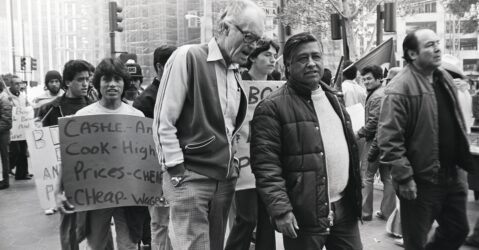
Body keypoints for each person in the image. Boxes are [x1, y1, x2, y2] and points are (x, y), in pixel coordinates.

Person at [152, 1, 265, 249]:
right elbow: (164, 120)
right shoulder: (187, 56)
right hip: (190, 179)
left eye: (258, 40)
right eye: (248, 36)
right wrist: (176, 171)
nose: (253, 46)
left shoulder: (233, 71)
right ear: (224, 28)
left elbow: (227, 127)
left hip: (223, 181)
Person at [250, 32, 362, 249]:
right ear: (288, 66)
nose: (311, 63)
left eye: (316, 57)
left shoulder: (335, 99)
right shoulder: (271, 107)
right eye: (303, 58)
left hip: (345, 211)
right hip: (304, 217)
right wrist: (281, 210)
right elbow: (266, 166)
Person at [378, 29, 474, 250]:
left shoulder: (444, 77)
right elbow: (389, 139)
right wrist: (404, 178)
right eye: (430, 45)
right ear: (412, 54)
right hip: (421, 182)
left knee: (458, 230)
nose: (438, 48)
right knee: (416, 242)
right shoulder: (399, 88)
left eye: (438, 43)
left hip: (452, 176)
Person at [73, 58, 145, 249]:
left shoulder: (137, 117)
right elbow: (72, 158)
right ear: (98, 83)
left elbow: (145, 158)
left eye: (117, 79)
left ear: (124, 83)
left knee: (129, 244)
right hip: (96, 197)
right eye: (106, 79)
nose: (112, 84)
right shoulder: (83, 117)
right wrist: (59, 189)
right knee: (96, 244)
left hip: (129, 196)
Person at [225, 38, 279, 250]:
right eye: (267, 54)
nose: (272, 59)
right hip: (242, 165)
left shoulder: (277, 84)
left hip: (268, 163)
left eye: (274, 55)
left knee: (267, 218)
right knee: (246, 218)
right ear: (253, 57)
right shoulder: (237, 83)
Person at [133, 44, 177, 250]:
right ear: (160, 67)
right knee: (160, 222)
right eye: (173, 65)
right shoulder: (146, 100)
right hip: (156, 171)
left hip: (182, 168)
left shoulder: (182, 90)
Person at [357, 65, 395, 221]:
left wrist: (359, 133)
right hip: (385, 141)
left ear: (379, 79)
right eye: (364, 79)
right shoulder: (379, 93)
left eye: (369, 79)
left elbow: (374, 122)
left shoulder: (377, 96)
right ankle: (388, 212)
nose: (366, 82)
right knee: (387, 176)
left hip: (374, 140)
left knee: (367, 175)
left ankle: (365, 213)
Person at [2, 74, 31, 180]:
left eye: (20, 83)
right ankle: (8, 167)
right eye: (16, 83)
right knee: (15, 151)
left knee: (23, 151)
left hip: (22, 128)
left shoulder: (22, 96)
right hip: (11, 129)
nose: (19, 85)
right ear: (11, 84)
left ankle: (22, 173)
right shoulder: (5, 96)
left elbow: (28, 107)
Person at [0, 77, 12, 190]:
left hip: (3, 133)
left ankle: (5, 181)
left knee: (4, 157)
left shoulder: (4, 98)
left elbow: (7, 120)